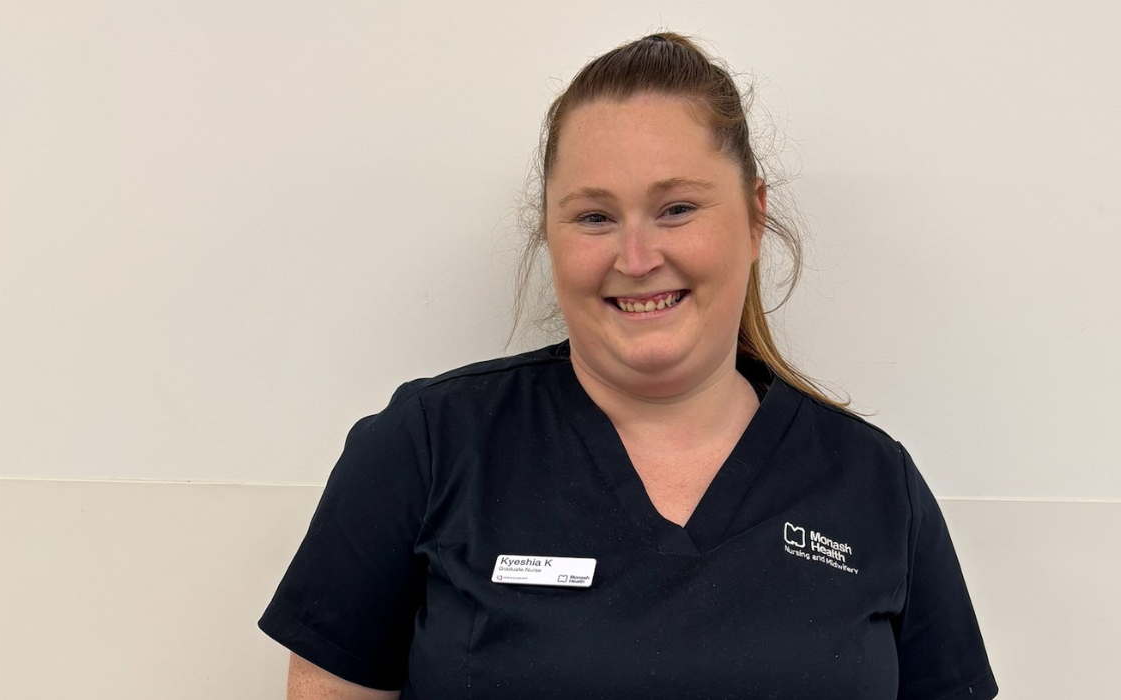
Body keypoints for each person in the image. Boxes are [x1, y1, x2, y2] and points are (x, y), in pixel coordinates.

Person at [258, 32, 997, 700]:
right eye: (594, 216)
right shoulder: (424, 448)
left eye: (677, 208)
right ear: (548, 231)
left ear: (753, 217)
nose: (637, 258)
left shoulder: (874, 487)